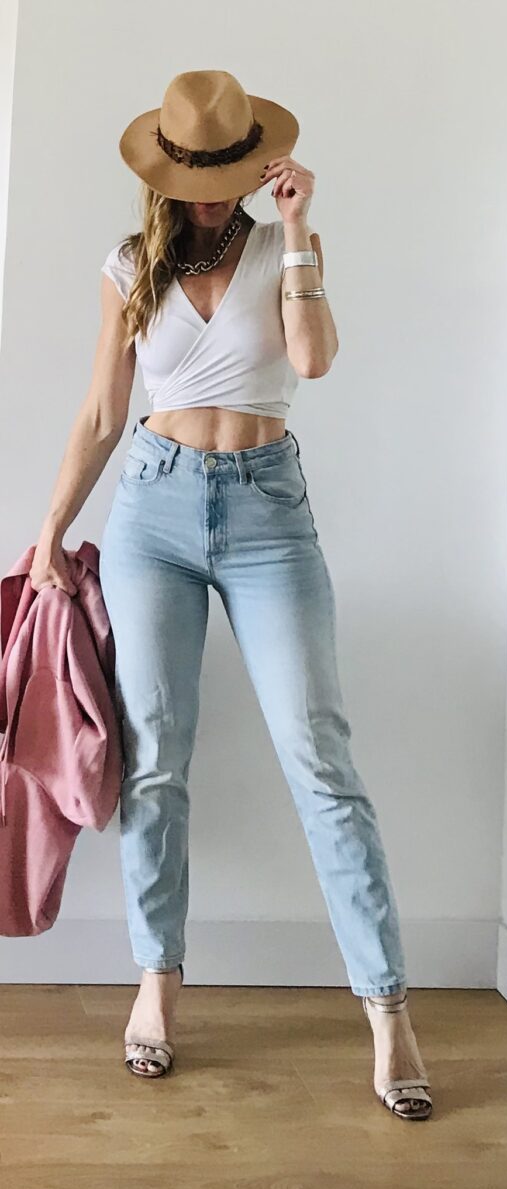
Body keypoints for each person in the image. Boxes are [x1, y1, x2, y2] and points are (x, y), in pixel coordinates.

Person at [30, 70, 432, 1119]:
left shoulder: (286, 246)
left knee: (320, 758)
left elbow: (313, 360)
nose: (213, 196)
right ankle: (156, 981)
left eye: (229, 175)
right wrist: (50, 529)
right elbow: (102, 413)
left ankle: (388, 1007)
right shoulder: (130, 266)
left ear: (255, 167)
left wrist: (297, 231)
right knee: (157, 758)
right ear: (166, 175)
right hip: (152, 513)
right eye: (196, 179)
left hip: (267, 514)